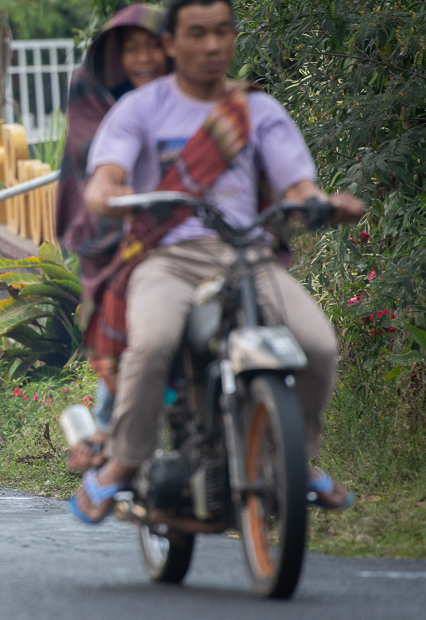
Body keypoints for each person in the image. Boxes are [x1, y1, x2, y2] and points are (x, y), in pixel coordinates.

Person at [71, 0, 365, 522]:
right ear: (171, 45)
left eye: (221, 32)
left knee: (318, 345)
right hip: (168, 259)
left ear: (233, 38)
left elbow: (296, 182)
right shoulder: (141, 109)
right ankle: (122, 462)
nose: (211, 45)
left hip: (248, 255)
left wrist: (321, 202)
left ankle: (296, 462)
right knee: (154, 342)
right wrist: (106, 193)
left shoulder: (257, 109)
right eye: (197, 34)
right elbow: (107, 176)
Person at [54, 3, 169, 473]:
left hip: (184, 221)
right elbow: (100, 165)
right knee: (136, 323)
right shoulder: (95, 91)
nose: (142, 59)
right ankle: (106, 424)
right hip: (106, 222)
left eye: (153, 47)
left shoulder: (188, 96)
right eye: (130, 50)